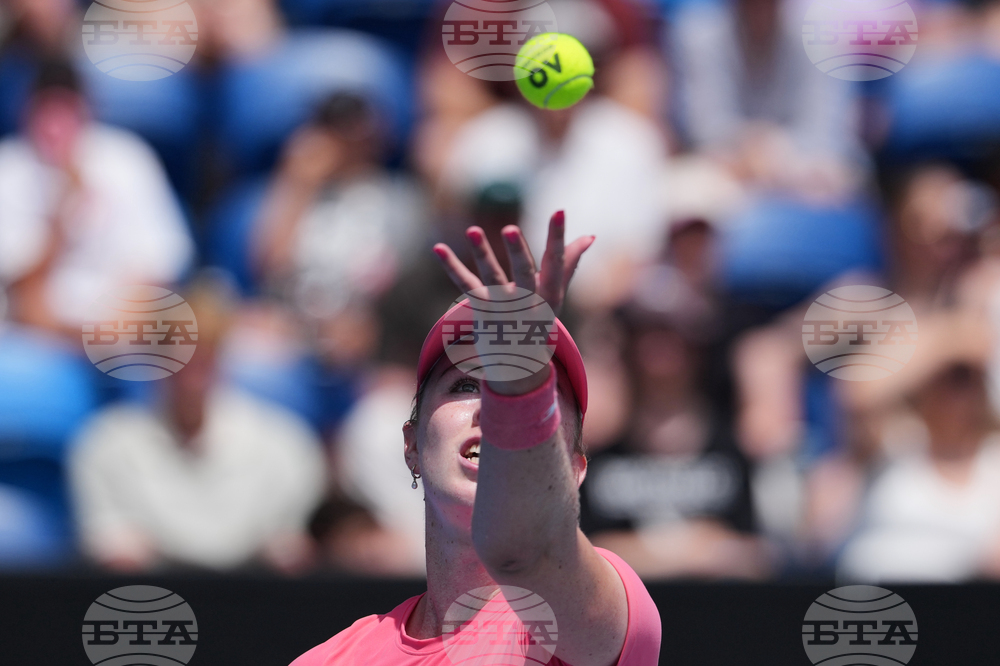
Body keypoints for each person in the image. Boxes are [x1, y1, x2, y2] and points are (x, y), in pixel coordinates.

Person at [290, 212, 661, 664]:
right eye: (465, 385)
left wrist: (520, 393)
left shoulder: (605, 608)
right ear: (412, 447)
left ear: (576, 469)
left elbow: (525, 549)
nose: (493, 405)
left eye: (537, 392)